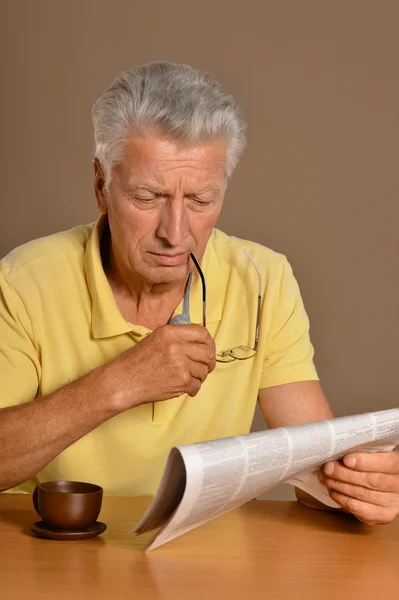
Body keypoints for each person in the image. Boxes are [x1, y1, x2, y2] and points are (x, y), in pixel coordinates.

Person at [0, 62, 398, 525]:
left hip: (205, 554)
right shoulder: (23, 280)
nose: (176, 233)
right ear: (100, 186)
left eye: (200, 201)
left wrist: (361, 487)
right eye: (148, 198)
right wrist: (118, 384)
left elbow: (311, 467)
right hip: (53, 550)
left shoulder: (263, 278)